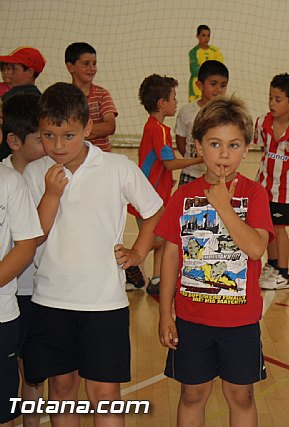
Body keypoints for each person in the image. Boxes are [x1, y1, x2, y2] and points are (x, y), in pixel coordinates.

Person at [21, 82, 163, 427]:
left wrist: (139, 251)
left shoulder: (117, 166)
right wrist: (51, 195)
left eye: (68, 135)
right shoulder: (35, 173)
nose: (57, 146)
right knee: (62, 387)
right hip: (51, 299)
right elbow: (33, 237)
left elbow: (155, 211)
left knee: (104, 392)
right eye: (48, 136)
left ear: (87, 129)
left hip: (103, 302)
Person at [157, 96, 274, 427]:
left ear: (246, 148)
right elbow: (170, 255)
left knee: (242, 396)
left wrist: (223, 206)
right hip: (192, 319)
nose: (224, 154)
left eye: (234, 144)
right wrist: (166, 313)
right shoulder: (183, 196)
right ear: (198, 146)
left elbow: (255, 249)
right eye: (215, 144)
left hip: (240, 322)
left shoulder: (254, 194)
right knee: (193, 395)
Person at [132, 74, 204, 295]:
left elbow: (158, 163)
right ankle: (131, 264)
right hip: (148, 197)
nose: (176, 102)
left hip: (151, 193)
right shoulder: (159, 130)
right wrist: (200, 159)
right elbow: (169, 162)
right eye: (173, 97)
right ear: (162, 103)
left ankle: (157, 279)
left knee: (161, 239)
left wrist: (164, 178)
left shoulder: (153, 126)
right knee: (158, 239)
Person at [1, 93, 46, 427]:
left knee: (33, 369)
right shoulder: (8, 178)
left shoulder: (52, 173)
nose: (48, 142)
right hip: (12, 291)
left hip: (38, 289)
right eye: (40, 136)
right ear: (15, 141)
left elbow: (34, 241)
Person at [255, 74, 289, 290]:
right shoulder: (261, 122)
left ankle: (284, 274)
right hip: (263, 188)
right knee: (268, 229)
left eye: (278, 99)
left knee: (279, 229)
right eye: (270, 97)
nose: (271, 103)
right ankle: (272, 265)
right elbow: (261, 149)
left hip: (285, 192)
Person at [176, 60, 229, 186]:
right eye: (213, 84)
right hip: (191, 174)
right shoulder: (187, 112)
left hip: (218, 176)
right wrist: (195, 160)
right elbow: (181, 141)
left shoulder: (228, 113)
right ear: (199, 85)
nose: (218, 89)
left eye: (223, 85)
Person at [65, 42, 118, 152]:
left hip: (102, 158)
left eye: (94, 63)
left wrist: (75, 133)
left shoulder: (102, 94)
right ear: (70, 67)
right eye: (86, 64)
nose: (92, 68)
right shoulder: (64, 96)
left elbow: (110, 126)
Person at [188, 24, 224, 102]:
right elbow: (194, 70)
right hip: (196, 89)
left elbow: (219, 67)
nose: (206, 38)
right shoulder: (193, 52)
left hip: (212, 88)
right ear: (197, 36)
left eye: (208, 36)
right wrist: (211, 70)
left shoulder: (215, 51)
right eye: (203, 35)